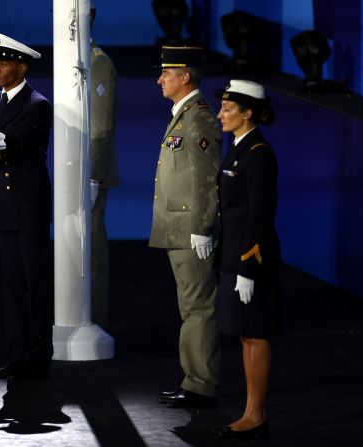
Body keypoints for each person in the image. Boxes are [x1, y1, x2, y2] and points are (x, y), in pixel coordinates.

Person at [0, 33, 54, 381]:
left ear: (21, 67)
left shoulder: (37, 105)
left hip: (29, 203)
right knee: (11, 280)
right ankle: (16, 353)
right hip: (6, 203)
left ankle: (37, 355)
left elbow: (15, 144)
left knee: (34, 279)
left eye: (3, 64)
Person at [149, 46, 222, 408]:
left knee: (197, 307)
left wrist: (203, 226)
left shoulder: (199, 118)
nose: (160, 79)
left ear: (185, 77)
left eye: (167, 73)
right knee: (190, 307)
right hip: (178, 228)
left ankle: (201, 385)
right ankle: (194, 380)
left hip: (191, 229)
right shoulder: (184, 115)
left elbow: (206, 178)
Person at [214, 80, 280, 439]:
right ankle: (251, 411)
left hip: (250, 261)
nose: (221, 114)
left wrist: (248, 267)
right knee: (244, 335)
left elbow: (260, 216)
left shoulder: (259, 154)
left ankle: (256, 414)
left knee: (255, 335)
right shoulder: (239, 148)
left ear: (248, 112)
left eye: (228, 108)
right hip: (232, 257)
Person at [89, 2, 120, 329]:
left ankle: (95, 319)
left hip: (89, 172)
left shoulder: (98, 64)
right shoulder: (80, 62)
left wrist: (93, 176)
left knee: (92, 247)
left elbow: (101, 128)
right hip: (77, 170)